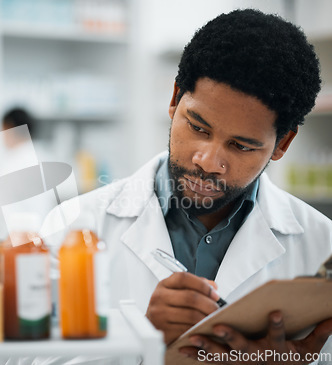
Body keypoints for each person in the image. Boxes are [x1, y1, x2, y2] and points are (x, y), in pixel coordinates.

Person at [59, 9, 332, 365]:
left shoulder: (321, 243)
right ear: (175, 99)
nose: (207, 160)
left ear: (282, 145)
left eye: (241, 146)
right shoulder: (73, 226)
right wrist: (142, 343)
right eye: (198, 128)